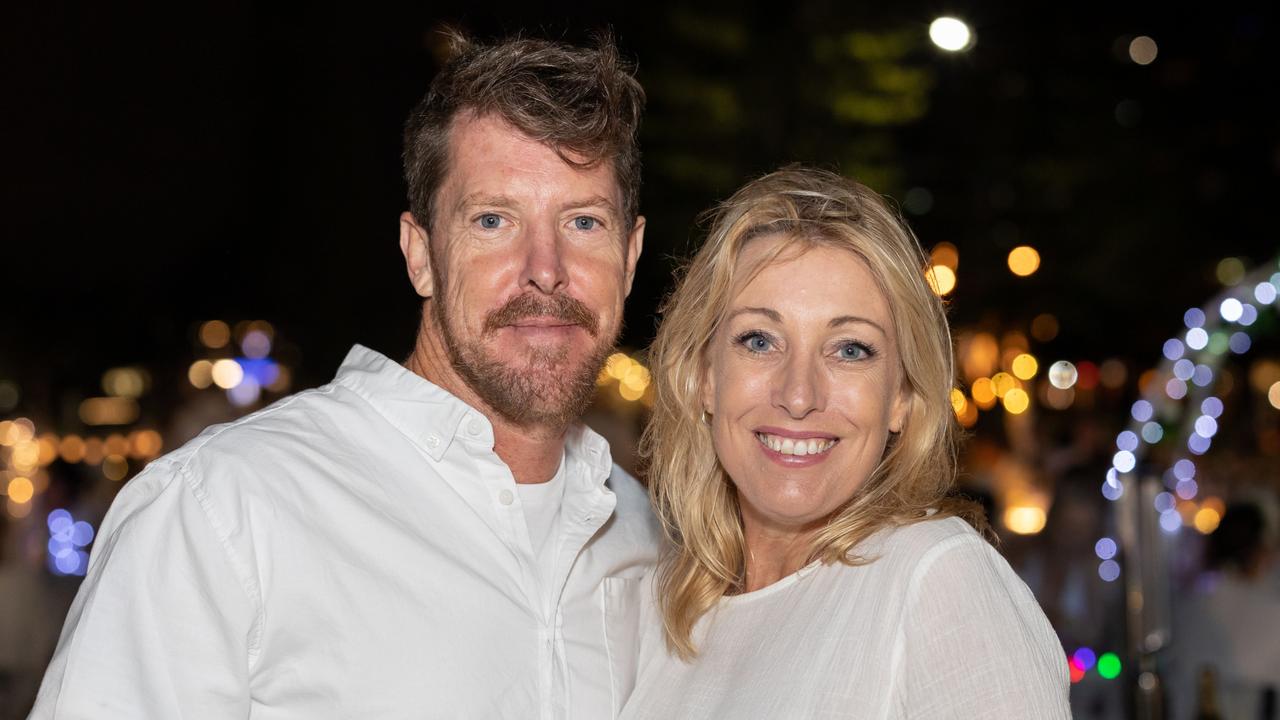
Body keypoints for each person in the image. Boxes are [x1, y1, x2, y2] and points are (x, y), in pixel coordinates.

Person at [31, 32, 659, 719]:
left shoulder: (646, 538)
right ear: (419, 254)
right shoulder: (225, 510)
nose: (546, 266)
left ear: (629, 257)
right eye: (492, 220)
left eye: (584, 222)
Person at [621, 167, 1070, 718]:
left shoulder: (935, 579)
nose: (799, 393)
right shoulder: (665, 603)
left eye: (850, 349)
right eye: (759, 340)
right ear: (704, 376)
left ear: (903, 395)